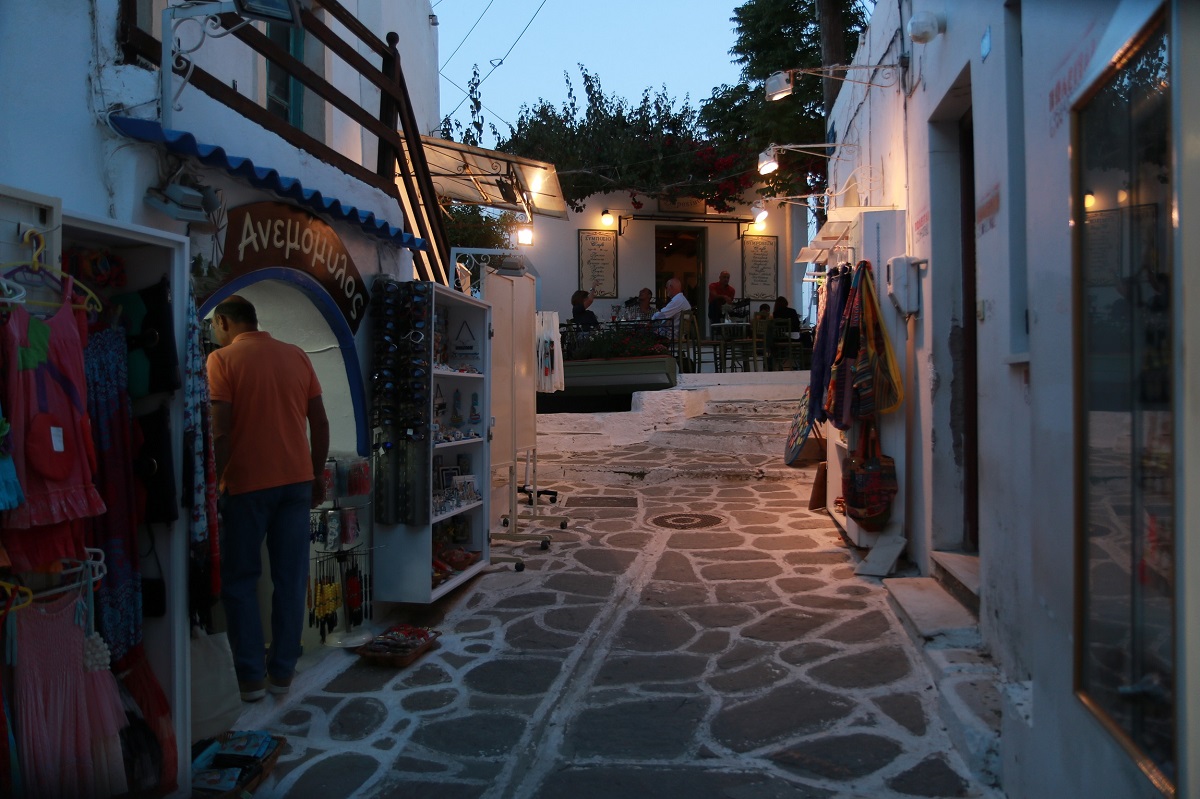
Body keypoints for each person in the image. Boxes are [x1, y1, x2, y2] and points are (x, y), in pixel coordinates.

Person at [206, 296, 330, 703]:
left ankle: (250, 679)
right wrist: (316, 474)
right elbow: (320, 422)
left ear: (224, 322)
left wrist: (213, 483)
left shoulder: (221, 361)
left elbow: (220, 432)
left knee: (240, 581)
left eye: (214, 326)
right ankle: (282, 673)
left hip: (246, 485)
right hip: (296, 482)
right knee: (290, 579)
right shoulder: (296, 356)